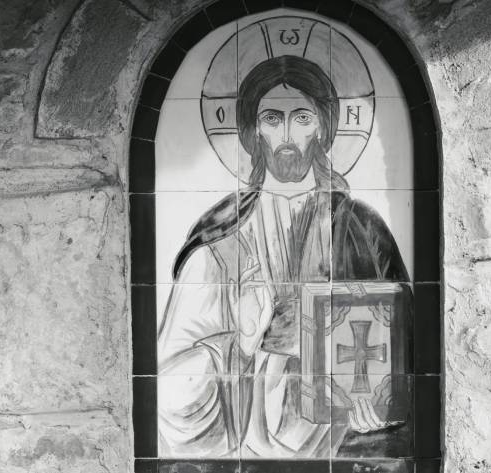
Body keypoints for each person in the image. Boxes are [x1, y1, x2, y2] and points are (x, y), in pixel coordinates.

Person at [157, 55, 411, 458]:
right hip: (245, 446)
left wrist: (381, 404)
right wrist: (241, 344)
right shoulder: (221, 240)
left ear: (323, 127)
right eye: (273, 119)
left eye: (302, 118)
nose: (288, 134)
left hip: (344, 447)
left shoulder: (363, 229)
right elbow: (169, 394)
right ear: (254, 130)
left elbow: (409, 352)